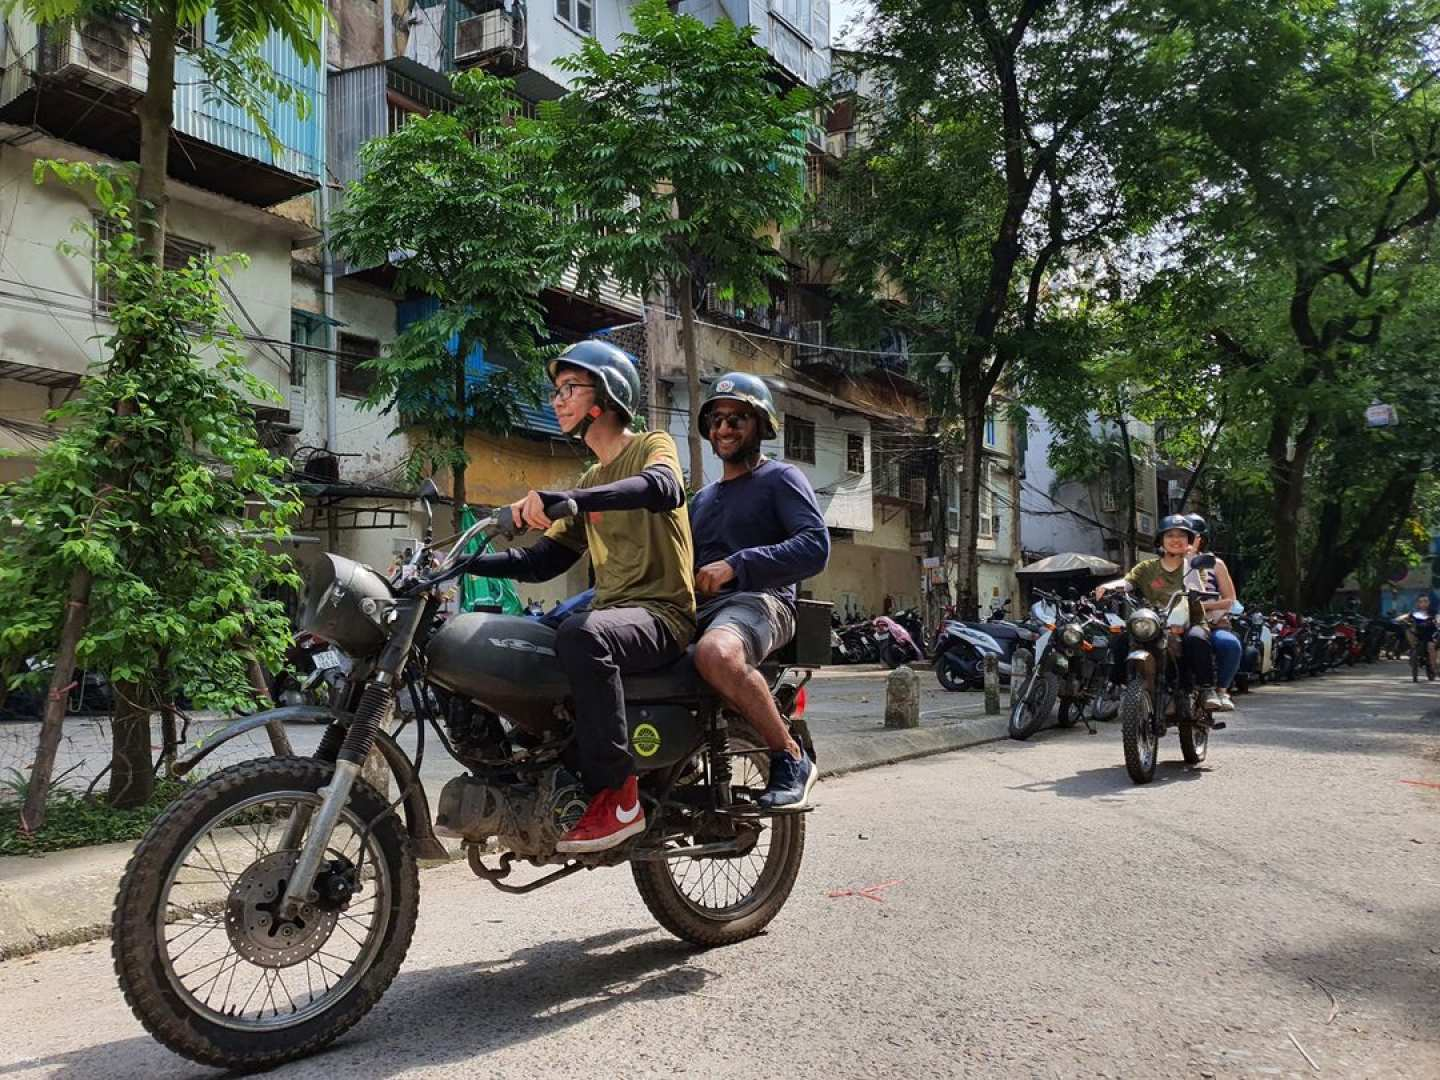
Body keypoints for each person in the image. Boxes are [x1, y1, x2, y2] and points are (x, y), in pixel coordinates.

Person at [460, 340, 695, 853]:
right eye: (555, 390)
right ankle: (522, 773)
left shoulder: (652, 446)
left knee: (582, 634)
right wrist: (463, 564)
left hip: (663, 614)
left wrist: (570, 499)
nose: (557, 400)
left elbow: (662, 488)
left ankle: (618, 794)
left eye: (570, 388)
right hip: (613, 615)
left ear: (605, 396)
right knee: (497, 641)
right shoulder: (591, 478)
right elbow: (542, 560)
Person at [688, 373, 830, 809]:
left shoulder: (781, 478)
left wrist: (737, 564)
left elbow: (815, 546)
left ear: (761, 425)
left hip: (762, 602)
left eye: (737, 419)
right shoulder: (701, 499)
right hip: (700, 608)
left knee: (717, 654)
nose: (724, 429)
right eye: (716, 420)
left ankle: (790, 757)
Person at [1093, 515, 1222, 714]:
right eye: (1170, 535)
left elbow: (1197, 589)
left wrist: (1189, 560)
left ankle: (1207, 689)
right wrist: (1108, 586)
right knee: (1120, 639)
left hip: (1189, 621)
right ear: (1161, 540)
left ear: (1189, 540)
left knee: (1197, 640)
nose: (1176, 539)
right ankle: (1114, 685)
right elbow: (1128, 582)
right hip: (1155, 622)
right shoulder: (1147, 567)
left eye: (1181, 535)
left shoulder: (1195, 566)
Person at [1185, 513, 1240, 712]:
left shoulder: (1215, 564)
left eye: (1190, 536)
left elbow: (1230, 600)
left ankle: (1221, 690)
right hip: (1173, 622)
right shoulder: (1165, 563)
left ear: (1200, 539)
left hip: (1209, 623)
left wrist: (1203, 607)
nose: (1184, 541)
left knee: (1229, 644)